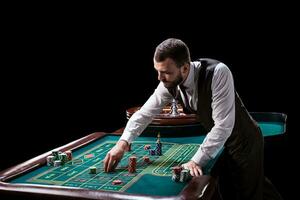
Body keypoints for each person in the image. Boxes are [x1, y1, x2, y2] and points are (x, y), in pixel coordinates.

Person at [103, 38, 282, 200]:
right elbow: (144, 114)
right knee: (252, 186)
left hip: (244, 142)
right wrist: (123, 143)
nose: (159, 78)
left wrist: (195, 160)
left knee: (247, 194)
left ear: (185, 68)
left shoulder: (218, 73)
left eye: (165, 72)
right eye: (157, 71)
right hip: (223, 144)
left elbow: (223, 126)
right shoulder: (169, 83)